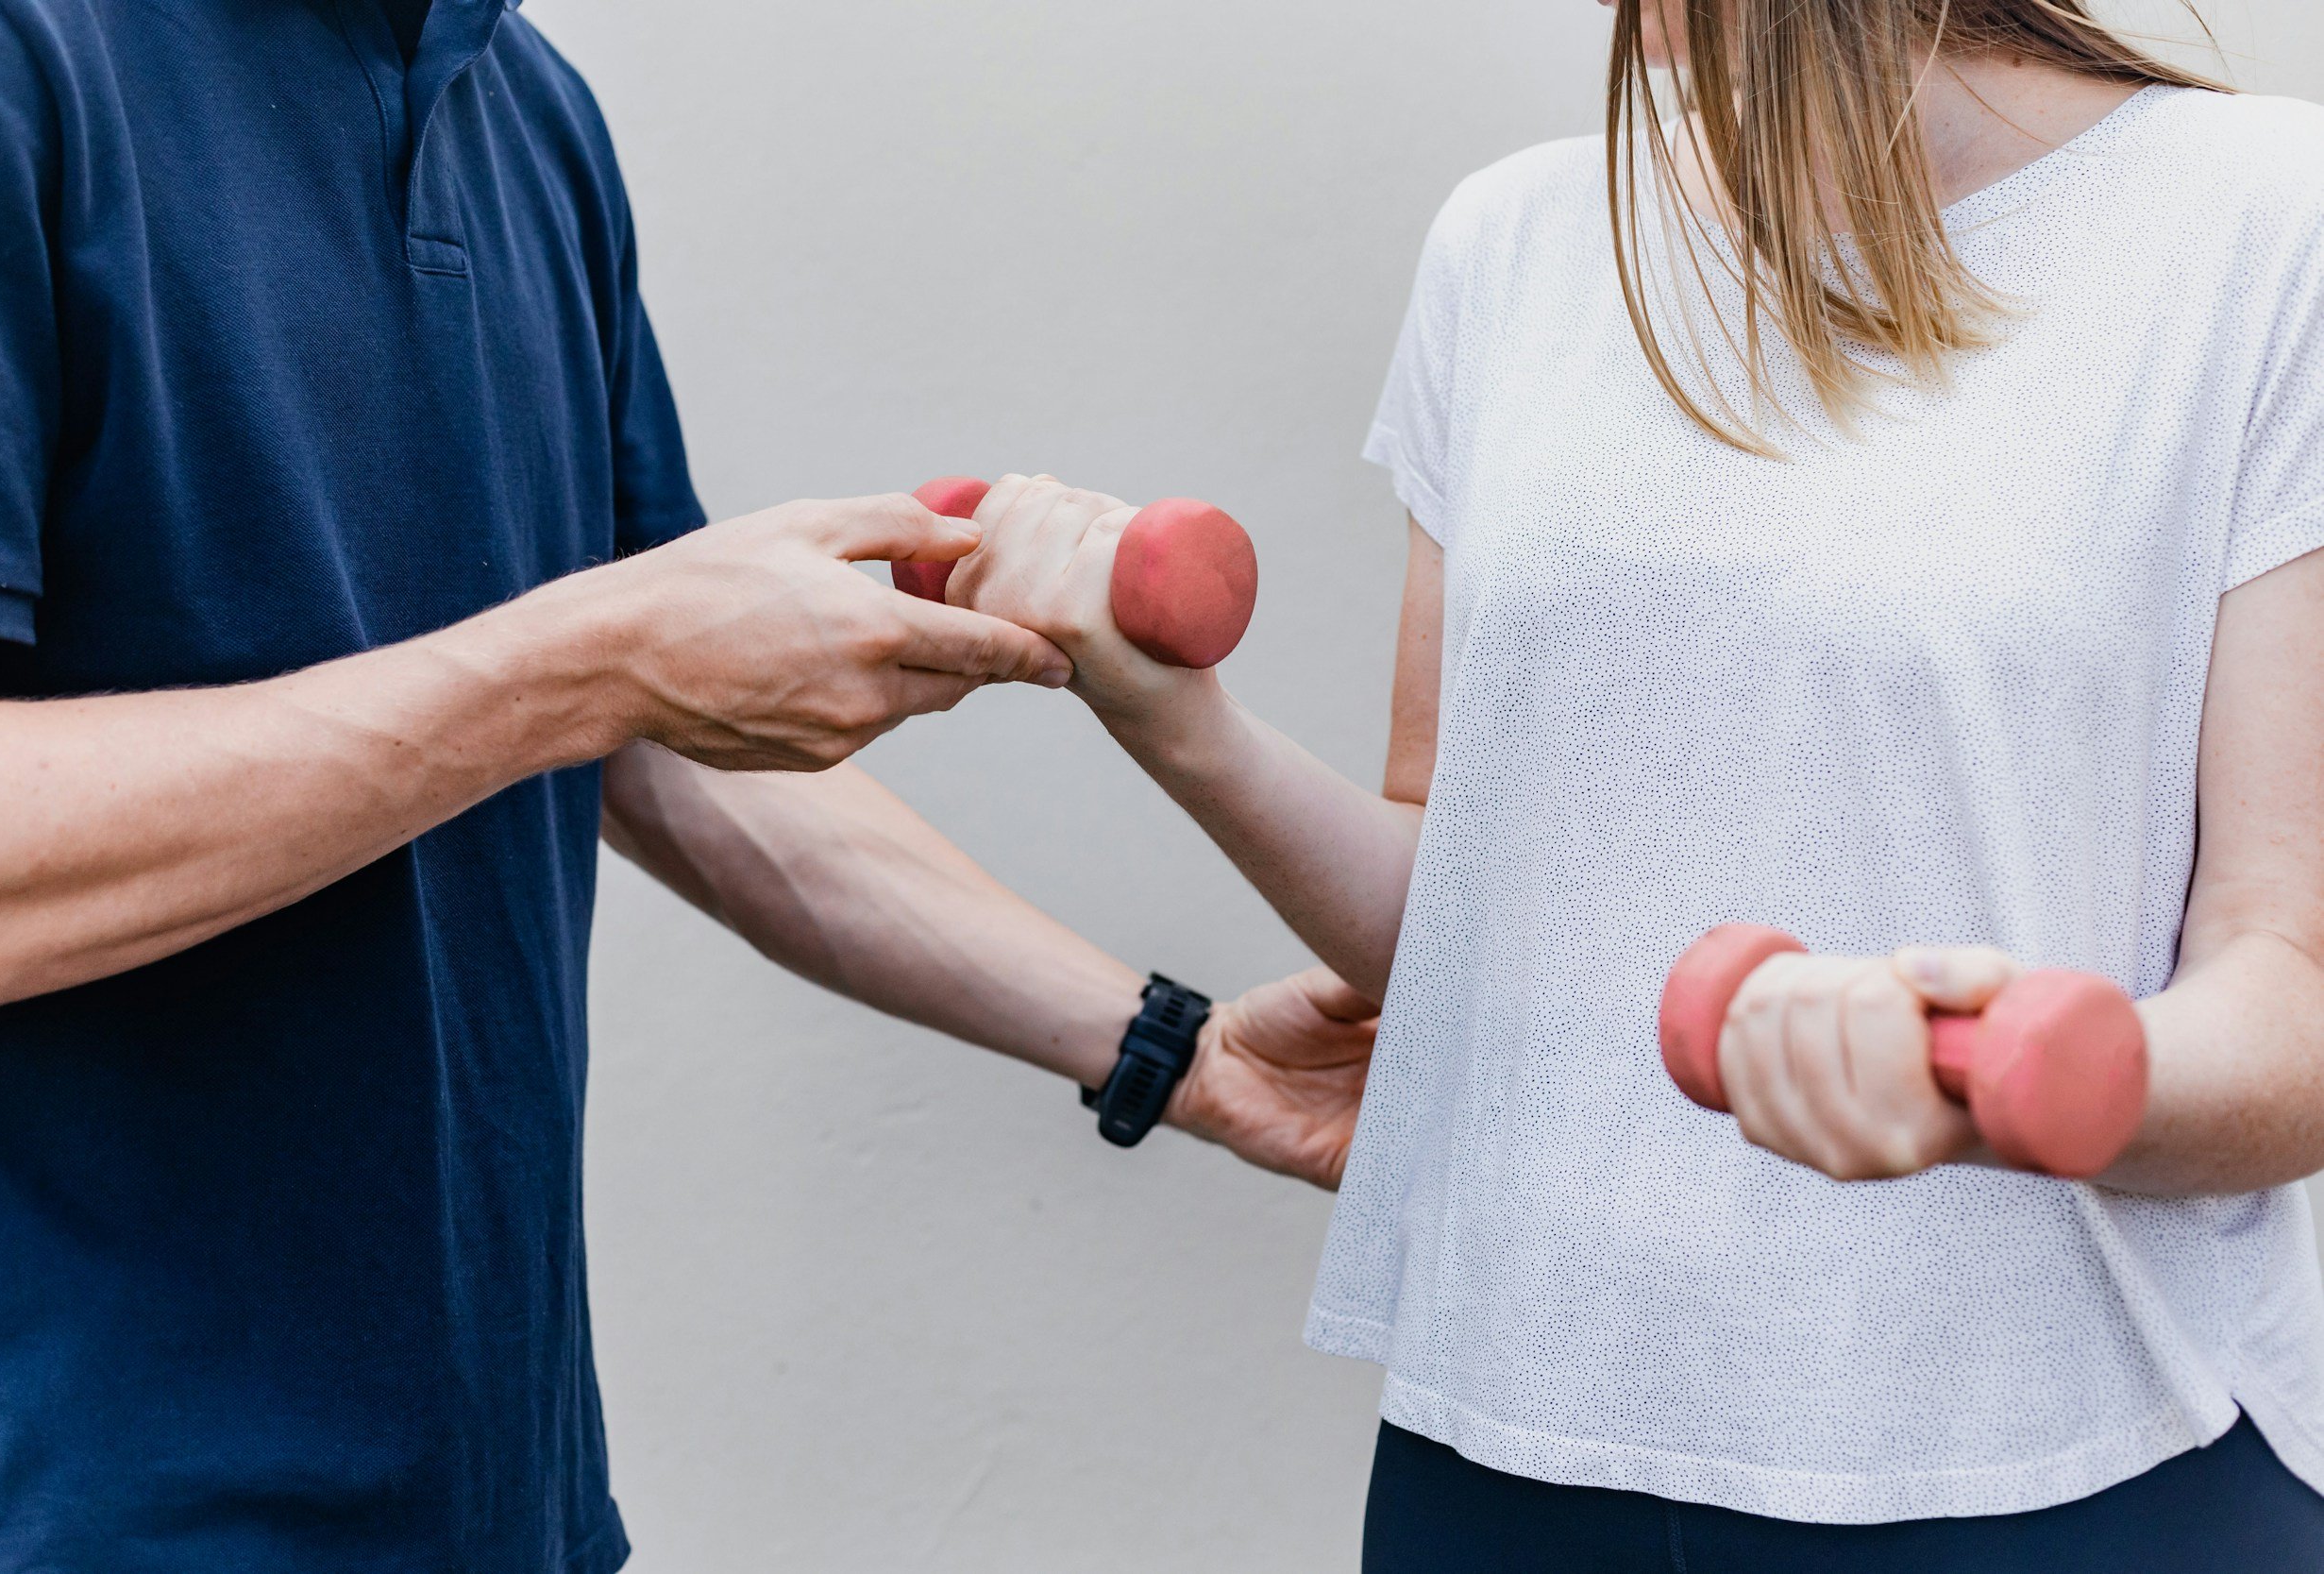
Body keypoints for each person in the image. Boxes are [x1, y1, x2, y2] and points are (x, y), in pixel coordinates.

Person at [0, 1, 1374, 1569]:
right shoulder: (10, 58)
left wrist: (1177, 1057)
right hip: (91, 1518)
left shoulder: (533, 113)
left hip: (515, 1514)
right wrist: (597, 654)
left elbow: (646, 741)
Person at [941, 0, 2324, 1567]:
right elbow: (1464, 924)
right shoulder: (1514, 242)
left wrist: (1995, 1085)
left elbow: (2290, 990)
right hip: (1508, 1450)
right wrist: (1173, 720)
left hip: (2067, 1472)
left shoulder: (2265, 222)